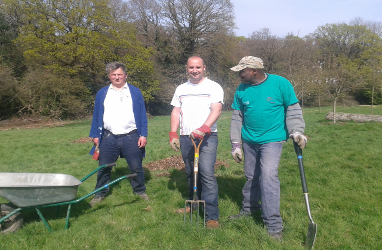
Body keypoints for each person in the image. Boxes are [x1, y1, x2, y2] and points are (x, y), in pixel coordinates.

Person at [228, 56, 307, 241]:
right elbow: (237, 118)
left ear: (254, 71)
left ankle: (273, 225)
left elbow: (293, 110)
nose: (239, 74)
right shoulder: (241, 89)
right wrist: (236, 145)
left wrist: (297, 131)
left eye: (242, 71)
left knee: (268, 177)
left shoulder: (281, 84)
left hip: (272, 139)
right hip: (249, 140)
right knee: (250, 177)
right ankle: (249, 210)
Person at [169, 56, 224, 229]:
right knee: (190, 172)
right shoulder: (181, 88)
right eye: (191, 67)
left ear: (204, 67)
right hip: (186, 136)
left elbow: (217, 109)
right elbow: (176, 111)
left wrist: (205, 128)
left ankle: (211, 216)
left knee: (206, 173)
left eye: (198, 67)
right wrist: (173, 134)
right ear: (187, 68)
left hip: (207, 137)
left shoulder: (213, 87)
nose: (195, 70)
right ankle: (193, 204)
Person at [88, 62, 149, 207]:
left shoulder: (135, 92)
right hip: (108, 137)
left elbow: (142, 114)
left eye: (119, 74)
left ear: (125, 76)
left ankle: (140, 191)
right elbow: (96, 115)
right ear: (109, 76)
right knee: (104, 167)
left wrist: (143, 134)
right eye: (113, 75)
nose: (117, 77)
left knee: (136, 167)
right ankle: (99, 194)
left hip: (131, 136)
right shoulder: (102, 93)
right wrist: (95, 135)